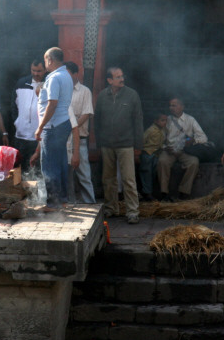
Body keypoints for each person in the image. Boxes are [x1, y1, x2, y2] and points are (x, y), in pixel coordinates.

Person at [94, 67, 143, 224]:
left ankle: (133, 212)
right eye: (118, 77)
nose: (122, 79)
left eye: (122, 76)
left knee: (129, 179)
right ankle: (111, 209)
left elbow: (138, 121)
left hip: (126, 144)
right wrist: (99, 144)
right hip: (107, 144)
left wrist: (138, 146)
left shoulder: (132, 95)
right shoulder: (102, 96)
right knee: (108, 179)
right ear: (109, 80)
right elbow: (97, 121)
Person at [34, 47, 73, 212]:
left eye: (45, 60)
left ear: (50, 59)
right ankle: (62, 200)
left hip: (53, 126)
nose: (45, 63)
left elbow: (52, 103)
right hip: (64, 123)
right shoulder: (66, 75)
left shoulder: (55, 78)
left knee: (49, 165)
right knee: (61, 163)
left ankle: (53, 203)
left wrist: (40, 127)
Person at [157, 97, 208, 201]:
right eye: (170, 105)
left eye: (174, 105)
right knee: (162, 161)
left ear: (182, 107)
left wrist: (193, 141)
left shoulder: (190, 120)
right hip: (169, 151)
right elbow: (160, 138)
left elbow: (204, 138)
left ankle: (184, 192)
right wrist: (165, 148)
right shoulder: (167, 120)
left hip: (184, 151)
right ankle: (164, 193)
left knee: (194, 162)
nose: (171, 108)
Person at [64, 61, 95, 204]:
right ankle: (70, 204)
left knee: (84, 175)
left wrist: (72, 126)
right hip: (64, 140)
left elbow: (86, 113)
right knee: (67, 176)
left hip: (80, 139)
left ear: (76, 74)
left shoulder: (85, 91)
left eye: (68, 73)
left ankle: (90, 203)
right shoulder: (61, 90)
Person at [11, 58, 47, 172]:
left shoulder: (49, 84)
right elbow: (13, 106)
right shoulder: (21, 83)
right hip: (20, 135)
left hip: (38, 138)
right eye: (33, 70)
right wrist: (17, 122)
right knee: (19, 169)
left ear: (45, 70)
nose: (36, 73)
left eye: (39, 71)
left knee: (36, 170)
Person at [139, 112, 167, 202]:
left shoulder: (163, 130)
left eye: (166, 120)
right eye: (162, 120)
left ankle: (151, 193)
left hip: (156, 154)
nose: (165, 122)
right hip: (147, 154)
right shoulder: (150, 130)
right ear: (156, 121)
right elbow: (142, 140)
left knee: (153, 174)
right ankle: (147, 193)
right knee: (146, 173)